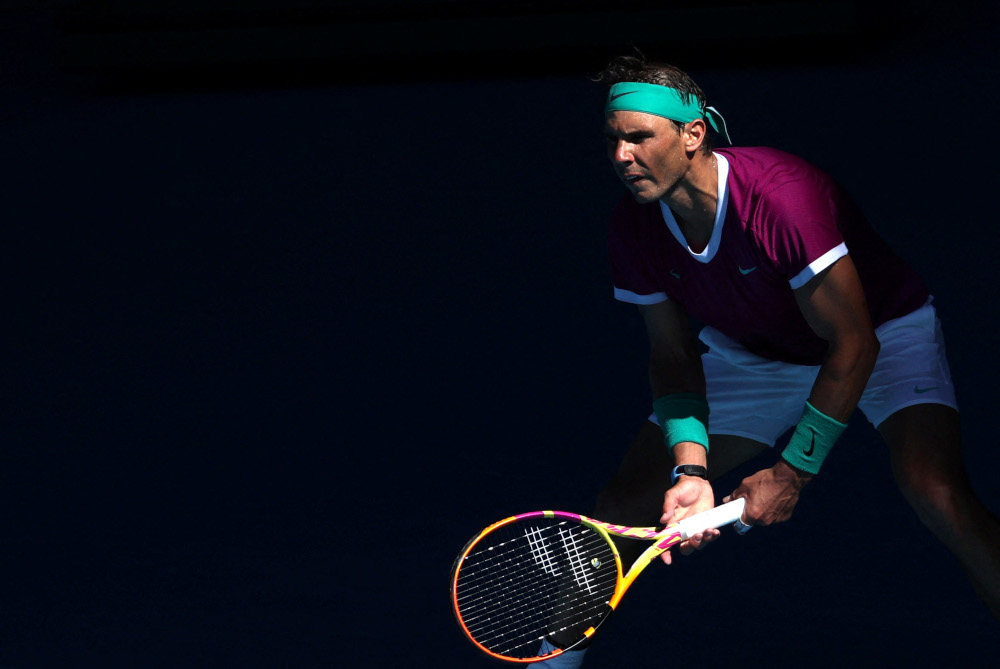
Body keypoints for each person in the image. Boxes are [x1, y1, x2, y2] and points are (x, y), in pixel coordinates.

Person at [531, 54, 1000, 667]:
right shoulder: (634, 226)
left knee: (936, 491)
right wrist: (689, 472)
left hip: (877, 334)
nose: (621, 156)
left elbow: (853, 344)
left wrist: (793, 472)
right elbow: (673, 358)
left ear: (692, 134)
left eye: (640, 137)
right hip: (753, 352)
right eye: (614, 139)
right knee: (621, 507)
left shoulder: (780, 199)